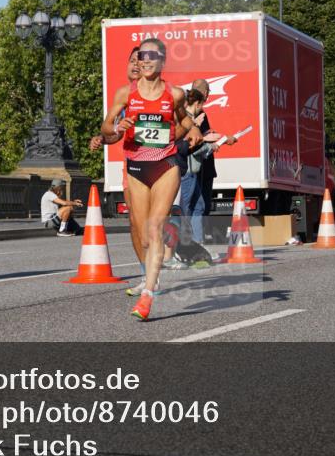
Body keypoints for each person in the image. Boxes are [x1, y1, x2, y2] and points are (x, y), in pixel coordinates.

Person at [101, 37, 202, 320]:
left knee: (155, 227)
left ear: (162, 60)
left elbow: (183, 120)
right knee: (144, 236)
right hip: (136, 166)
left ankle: (147, 295)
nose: (145, 60)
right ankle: (153, 273)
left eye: (151, 55)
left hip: (166, 165)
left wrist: (190, 131)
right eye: (141, 55)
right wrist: (116, 127)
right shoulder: (125, 94)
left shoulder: (176, 94)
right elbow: (106, 126)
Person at [90, 47, 145, 268]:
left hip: (160, 163)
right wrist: (104, 138)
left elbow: (180, 126)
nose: (134, 65)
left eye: (139, 62)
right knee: (135, 221)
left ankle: (164, 252)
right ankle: (147, 274)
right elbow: (113, 133)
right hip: (132, 163)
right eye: (131, 60)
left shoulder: (164, 94)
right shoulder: (124, 96)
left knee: (154, 221)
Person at [180, 79, 236, 247]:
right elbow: (189, 145)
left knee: (198, 205)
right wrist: (210, 143)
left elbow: (195, 143)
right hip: (189, 169)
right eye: (201, 103)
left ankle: (197, 244)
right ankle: (184, 245)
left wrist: (209, 141)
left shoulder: (191, 117)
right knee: (187, 207)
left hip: (195, 168)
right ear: (199, 100)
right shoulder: (186, 118)